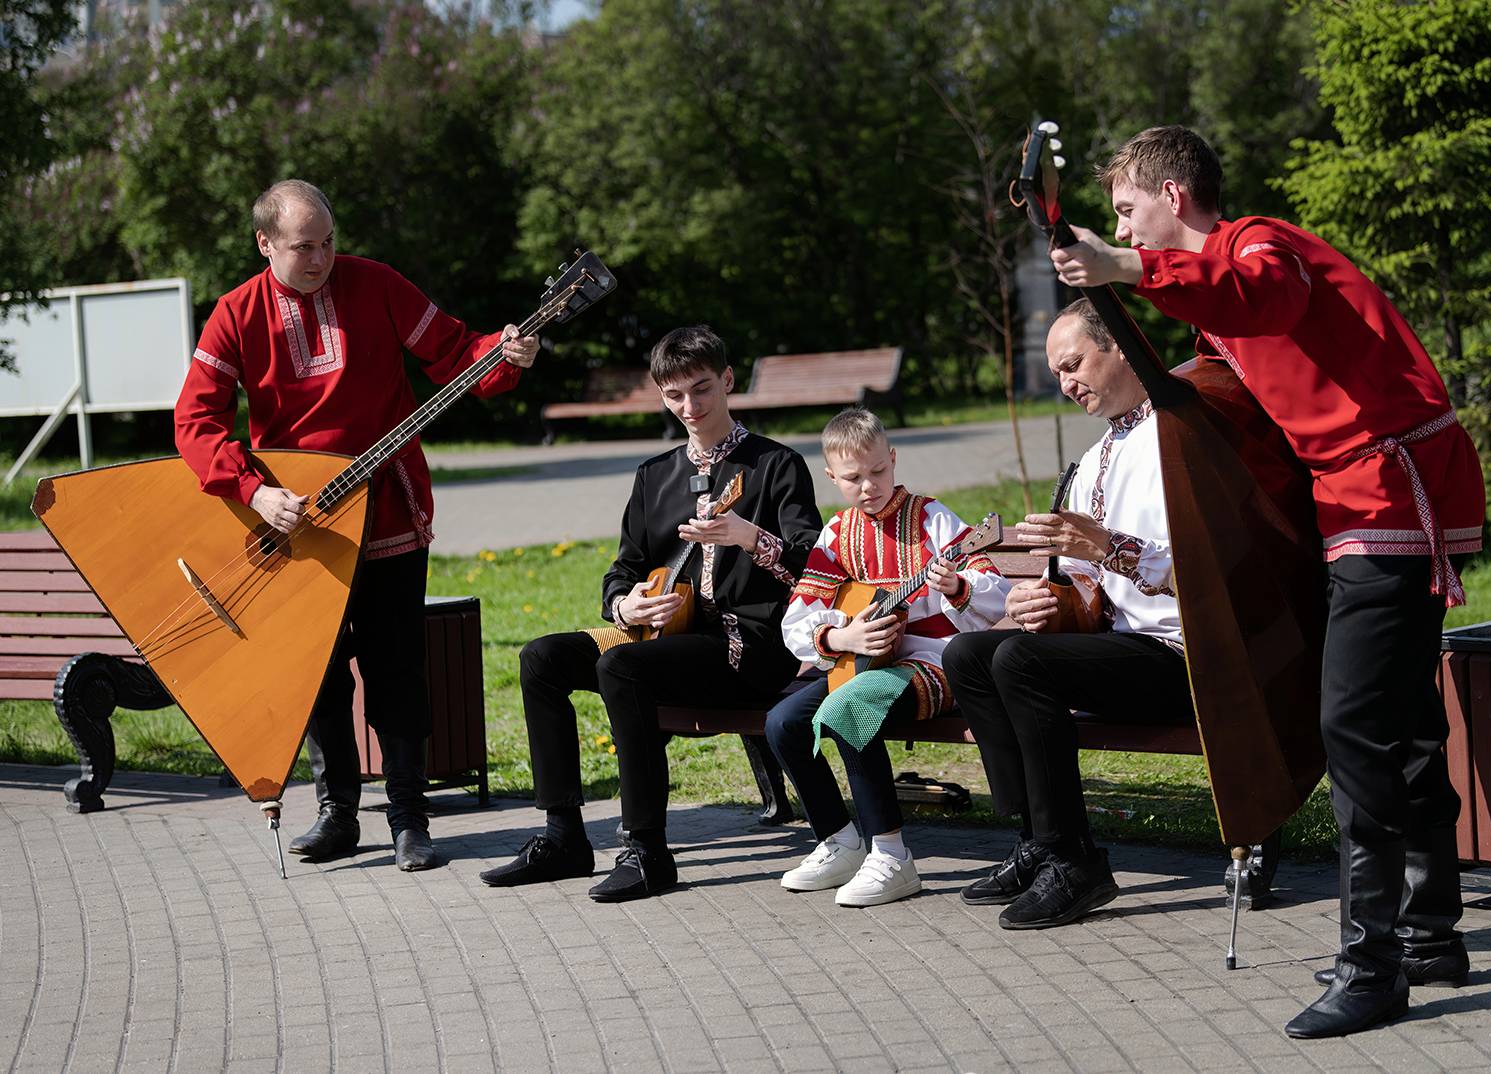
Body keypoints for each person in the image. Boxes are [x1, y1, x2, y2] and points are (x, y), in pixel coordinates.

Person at [1050, 125, 1485, 1038]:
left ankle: (1373, 968)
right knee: (1403, 720)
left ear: (1173, 197)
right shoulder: (1215, 294)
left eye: (1127, 209)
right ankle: (1428, 936)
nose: (1120, 227)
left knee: (1353, 727)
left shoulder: (1258, 245)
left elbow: (1265, 296)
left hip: (1385, 490)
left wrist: (1124, 268)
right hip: (1365, 498)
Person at [174, 179, 539, 872]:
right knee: (317, 671)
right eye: (303, 247)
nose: (321, 259)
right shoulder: (234, 314)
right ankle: (337, 812)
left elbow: (457, 352)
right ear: (265, 244)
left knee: (395, 666)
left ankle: (409, 818)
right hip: (296, 522)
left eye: (328, 243)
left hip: (388, 509)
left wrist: (505, 353)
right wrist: (255, 493)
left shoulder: (376, 284)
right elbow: (194, 423)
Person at [479, 325, 823, 902]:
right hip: (663, 638)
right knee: (542, 658)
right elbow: (623, 568)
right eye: (674, 395)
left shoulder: (776, 465)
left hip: (749, 645)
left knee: (622, 667)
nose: (690, 407)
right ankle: (564, 837)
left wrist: (747, 536)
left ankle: (647, 852)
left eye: (702, 388)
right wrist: (625, 603)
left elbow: (813, 567)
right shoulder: (655, 475)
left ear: (728, 380)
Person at [943, 299, 1189, 928]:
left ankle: (1075, 861)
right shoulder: (1096, 457)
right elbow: (1088, 585)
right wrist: (1049, 602)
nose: (1066, 384)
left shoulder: (1182, 436)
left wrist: (1107, 548)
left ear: (1122, 347)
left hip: (1191, 654)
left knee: (1020, 661)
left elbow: (1209, 565)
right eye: (1056, 373)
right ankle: (1038, 841)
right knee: (968, 654)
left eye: (1073, 365)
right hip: (1127, 648)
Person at [767, 407, 1009, 906]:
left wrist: (957, 585)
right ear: (831, 477)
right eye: (852, 478)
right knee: (782, 722)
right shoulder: (837, 534)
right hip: (866, 664)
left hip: (936, 664)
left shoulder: (932, 518)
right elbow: (798, 617)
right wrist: (842, 638)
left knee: (851, 706)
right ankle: (840, 841)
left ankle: (893, 856)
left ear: (893, 459)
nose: (868, 486)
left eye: (878, 471)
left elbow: (995, 593)